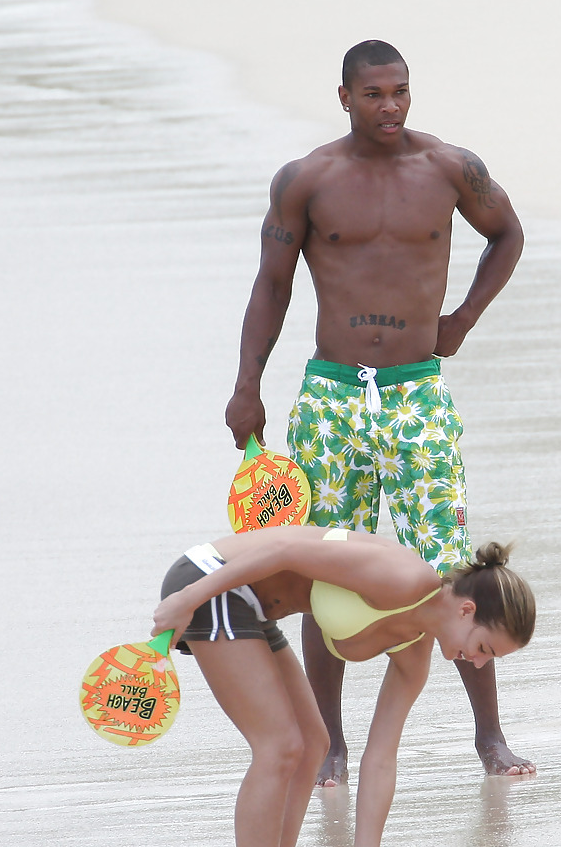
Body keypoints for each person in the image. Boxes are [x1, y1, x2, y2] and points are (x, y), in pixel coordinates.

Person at [225, 39, 533, 786]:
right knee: (327, 570)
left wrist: (461, 320)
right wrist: (247, 384)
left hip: (417, 393)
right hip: (331, 397)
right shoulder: (307, 180)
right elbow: (273, 286)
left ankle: (489, 736)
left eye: (400, 91)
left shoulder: (450, 169)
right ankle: (329, 743)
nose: (389, 106)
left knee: (453, 565)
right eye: (373, 94)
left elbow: (507, 235)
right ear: (344, 98)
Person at [151, 525, 535, 847]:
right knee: (278, 747)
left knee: (312, 744)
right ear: (466, 610)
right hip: (213, 580)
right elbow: (283, 548)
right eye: (485, 647)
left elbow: (381, 759)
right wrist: (188, 599)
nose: (479, 663)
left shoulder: (414, 650)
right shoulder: (406, 579)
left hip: (253, 607)